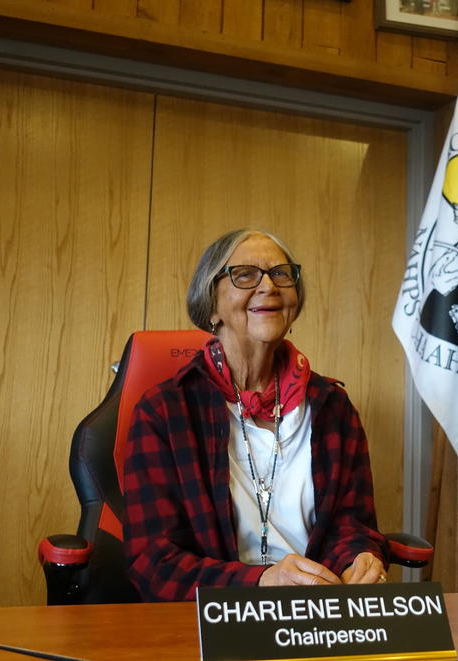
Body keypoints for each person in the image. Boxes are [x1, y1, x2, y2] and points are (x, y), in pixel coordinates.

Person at [122, 229, 388, 601]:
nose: (269, 286)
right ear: (211, 306)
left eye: (281, 274)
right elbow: (152, 561)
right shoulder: (165, 412)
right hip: (209, 623)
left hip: (317, 615)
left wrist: (359, 558)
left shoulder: (333, 408)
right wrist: (261, 582)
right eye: (244, 274)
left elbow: (352, 525)